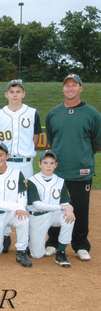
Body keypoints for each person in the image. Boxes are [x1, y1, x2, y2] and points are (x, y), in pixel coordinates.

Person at [45, 74, 101, 261]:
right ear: (63, 89)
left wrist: (82, 156)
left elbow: (96, 141)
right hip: (58, 171)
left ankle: (80, 245)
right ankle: (52, 242)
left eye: (74, 85)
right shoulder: (54, 113)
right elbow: (53, 140)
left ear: (80, 88)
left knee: (80, 209)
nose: (70, 89)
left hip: (81, 171)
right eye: (67, 86)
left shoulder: (92, 113)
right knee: (55, 208)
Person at [0, 79, 42, 253]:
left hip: (25, 163)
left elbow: (35, 140)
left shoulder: (32, 113)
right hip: (5, 163)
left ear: (23, 94)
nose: (15, 94)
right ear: (6, 94)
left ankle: (24, 238)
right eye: (11, 91)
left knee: (25, 200)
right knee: (6, 197)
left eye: (18, 91)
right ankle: (6, 235)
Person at [27, 150, 75, 267]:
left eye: (51, 163)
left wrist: (69, 210)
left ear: (56, 165)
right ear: (39, 164)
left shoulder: (60, 181)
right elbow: (38, 205)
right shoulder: (32, 181)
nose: (48, 166)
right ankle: (30, 242)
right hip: (38, 216)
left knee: (69, 217)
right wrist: (62, 207)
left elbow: (66, 203)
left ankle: (61, 252)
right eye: (45, 163)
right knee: (37, 255)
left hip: (54, 215)